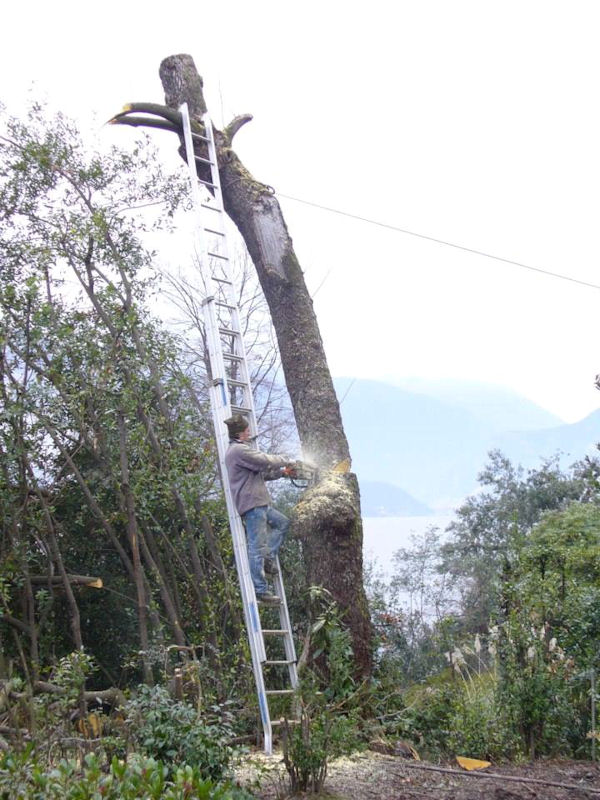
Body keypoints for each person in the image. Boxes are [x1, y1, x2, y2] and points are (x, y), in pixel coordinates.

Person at [224, 413, 292, 605]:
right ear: (240, 433)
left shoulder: (240, 452)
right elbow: (265, 460)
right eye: (247, 430)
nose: (249, 432)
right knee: (256, 546)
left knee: (282, 523)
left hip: (259, 502)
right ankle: (261, 590)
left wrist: (282, 473)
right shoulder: (238, 451)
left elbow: (262, 474)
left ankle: (269, 558)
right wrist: (287, 459)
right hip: (252, 505)